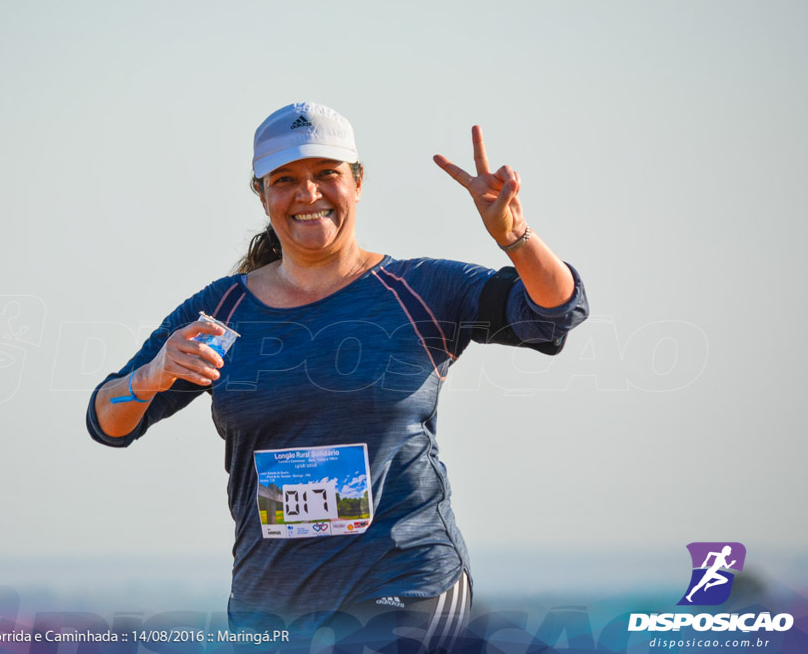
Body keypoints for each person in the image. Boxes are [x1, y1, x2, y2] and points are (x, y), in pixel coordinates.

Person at [86, 102, 589, 650]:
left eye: (326, 174)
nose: (308, 194)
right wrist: (150, 377)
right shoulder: (220, 313)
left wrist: (516, 237)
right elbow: (107, 421)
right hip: (270, 603)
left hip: (407, 580)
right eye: (286, 180)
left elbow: (553, 313)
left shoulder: (421, 290)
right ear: (261, 194)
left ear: (357, 181)